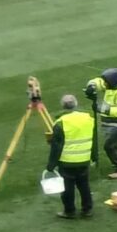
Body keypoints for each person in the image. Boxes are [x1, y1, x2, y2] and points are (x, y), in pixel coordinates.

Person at [46, 92, 97, 220]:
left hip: (67, 162)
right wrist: (94, 157)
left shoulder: (60, 123)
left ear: (63, 106)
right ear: (76, 104)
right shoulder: (88, 118)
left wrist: (51, 165)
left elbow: (56, 147)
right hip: (84, 159)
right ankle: (87, 209)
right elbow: (94, 139)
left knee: (67, 188)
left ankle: (69, 211)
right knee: (84, 185)